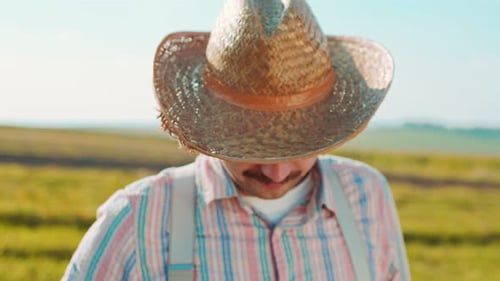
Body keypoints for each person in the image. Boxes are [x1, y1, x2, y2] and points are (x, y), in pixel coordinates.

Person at [63, 0, 411, 280]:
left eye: (301, 145)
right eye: (252, 146)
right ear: (213, 123)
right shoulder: (137, 219)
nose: (277, 172)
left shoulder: (368, 195)